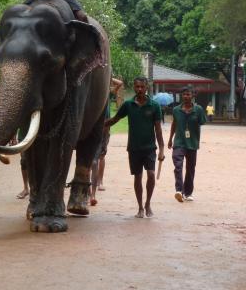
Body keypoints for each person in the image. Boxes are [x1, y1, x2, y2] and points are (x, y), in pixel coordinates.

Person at [104, 76, 164, 218]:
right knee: (137, 177)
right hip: (134, 148)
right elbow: (114, 120)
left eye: (142, 87)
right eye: (137, 87)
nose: (139, 89)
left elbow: (158, 130)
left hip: (150, 148)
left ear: (146, 88)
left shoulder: (154, 106)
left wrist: (161, 149)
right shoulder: (128, 105)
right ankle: (140, 208)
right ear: (134, 87)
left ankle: (148, 203)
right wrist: (99, 126)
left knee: (150, 174)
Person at [168, 85, 207, 203]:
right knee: (178, 165)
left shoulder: (198, 109)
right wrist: (170, 139)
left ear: (193, 96)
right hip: (179, 142)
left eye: (188, 94)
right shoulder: (176, 110)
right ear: (181, 96)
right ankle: (179, 190)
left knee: (190, 169)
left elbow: (202, 122)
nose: (186, 96)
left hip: (192, 143)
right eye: (184, 94)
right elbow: (174, 124)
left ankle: (188, 192)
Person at [89, 77, 124, 206]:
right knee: (91, 159)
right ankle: (90, 189)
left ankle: (100, 181)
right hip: (92, 126)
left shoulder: (107, 91)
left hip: (105, 126)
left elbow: (120, 83)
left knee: (101, 156)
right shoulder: (93, 91)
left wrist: (108, 75)